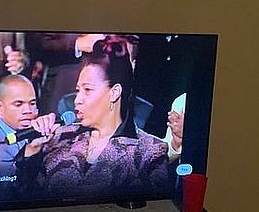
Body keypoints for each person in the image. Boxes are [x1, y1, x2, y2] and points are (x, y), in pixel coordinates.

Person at [18, 37, 169, 196]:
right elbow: (24, 195)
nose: (77, 100)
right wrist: (32, 152)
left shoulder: (150, 151)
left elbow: (155, 207)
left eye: (88, 90)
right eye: (78, 90)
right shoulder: (60, 137)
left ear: (114, 93)